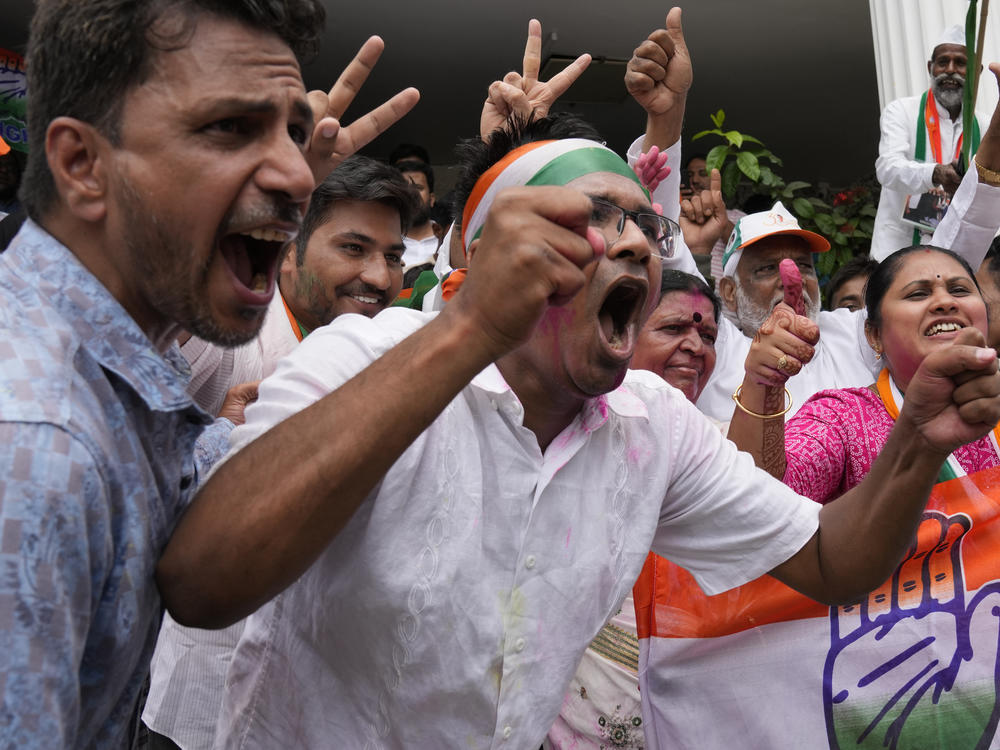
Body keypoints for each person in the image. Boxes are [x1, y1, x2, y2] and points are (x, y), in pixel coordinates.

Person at [154, 88, 1000, 747]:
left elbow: (829, 559)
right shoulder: (361, 357)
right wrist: (477, 329)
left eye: (644, 222)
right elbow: (204, 582)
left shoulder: (653, 425)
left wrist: (920, 443)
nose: (634, 241)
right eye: (595, 216)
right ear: (483, 255)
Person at [0, 1, 418, 746]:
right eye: (229, 127)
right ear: (80, 164)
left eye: (292, 131)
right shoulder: (34, 447)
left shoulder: (116, 370)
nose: (297, 175)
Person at [546, 270, 720, 749]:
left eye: (707, 335)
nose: (694, 346)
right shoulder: (563, 434)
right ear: (620, 334)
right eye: (672, 329)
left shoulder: (724, 449)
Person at [180, 155, 418, 414]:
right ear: (286, 251)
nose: (381, 279)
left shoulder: (400, 356)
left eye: (393, 257)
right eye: (354, 248)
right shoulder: (229, 333)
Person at [871, 25, 986, 259]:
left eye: (961, 63)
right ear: (930, 68)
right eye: (943, 62)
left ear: (976, 71)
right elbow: (887, 169)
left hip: (958, 253)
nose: (950, 70)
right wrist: (935, 173)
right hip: (898, 249)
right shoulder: (901, 111)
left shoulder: (984, 126)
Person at [397, 158, 439, 267]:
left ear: (432, 198)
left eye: (418, 188)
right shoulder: (384, 243)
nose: (412, 195)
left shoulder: (449, 239)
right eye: (405, 189)